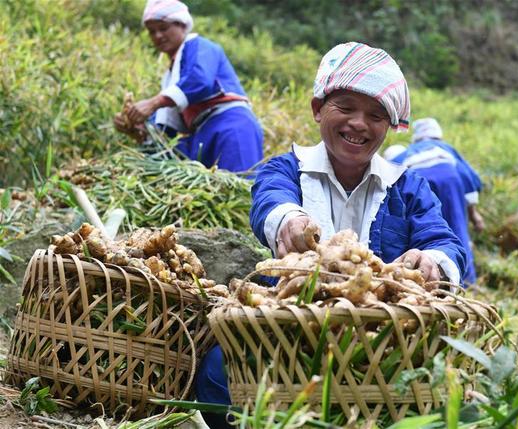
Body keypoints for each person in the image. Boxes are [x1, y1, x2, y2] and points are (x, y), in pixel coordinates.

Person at [195, 42, 467, 426]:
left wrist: (434, 262)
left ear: (389, 127)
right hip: (287, 333)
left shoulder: (408, 187)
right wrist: (289, 220)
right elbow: (270, 201)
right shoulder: (286, 169)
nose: (359, 123)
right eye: (345, 107)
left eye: (376, 115)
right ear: (318, 109)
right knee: (221, 368)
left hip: (376, 347)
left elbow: (444, 241)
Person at [113, 0, 263, 172]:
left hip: (230, 125)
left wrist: (153, 103)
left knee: (240, 183)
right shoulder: (171, 78)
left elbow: (199, 80)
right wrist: (137, 129)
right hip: (202, 134)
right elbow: (163, 135)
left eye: (163, 28)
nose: (158, 36)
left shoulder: (201, 46)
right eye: (152, 32)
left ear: (183, 26)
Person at [383, 117, 484, 284]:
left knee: (424, 229)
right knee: (456, 230)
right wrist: (473, 214)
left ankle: (423, 276)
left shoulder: (407, 151)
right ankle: (465, 280)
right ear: (438, 135)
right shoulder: (446, 148)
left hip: (419, 183)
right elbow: (469, 177)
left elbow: (388, 173)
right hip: (450, 182)